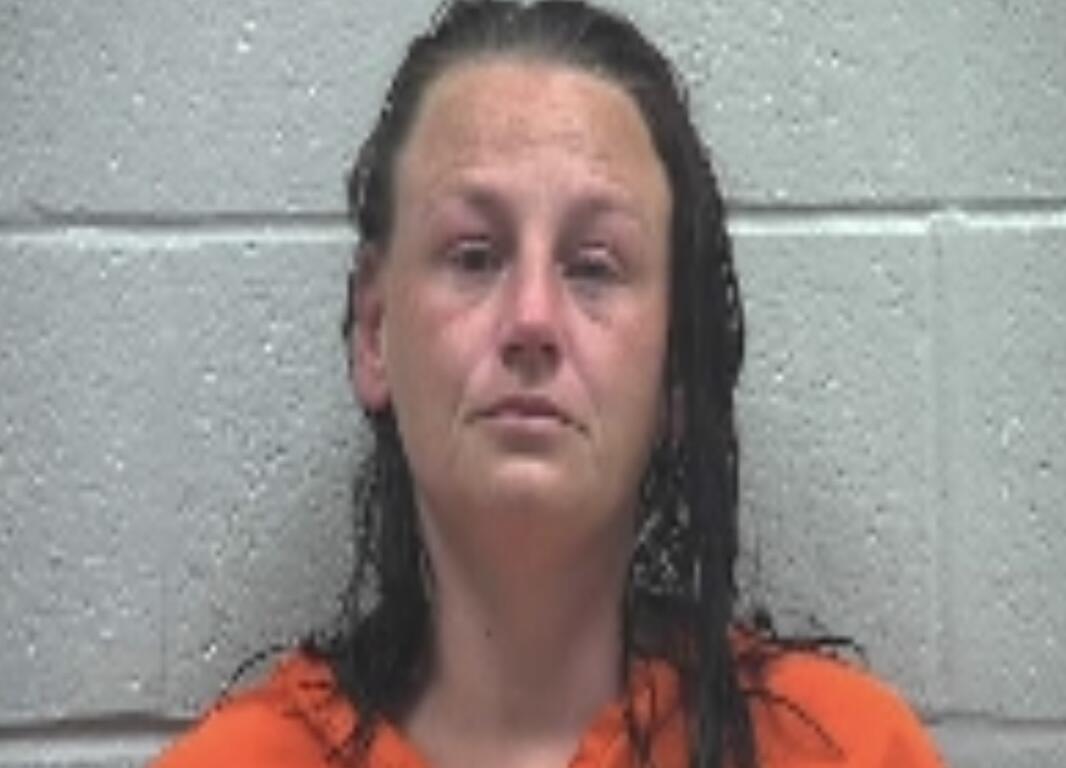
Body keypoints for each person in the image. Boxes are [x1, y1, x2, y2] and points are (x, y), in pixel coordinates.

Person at [154, 1, 944, 766]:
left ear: (675, 363)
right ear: (374, 331)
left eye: (594, 266)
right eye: (473, 256)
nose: (531, 318)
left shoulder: (852, 754)